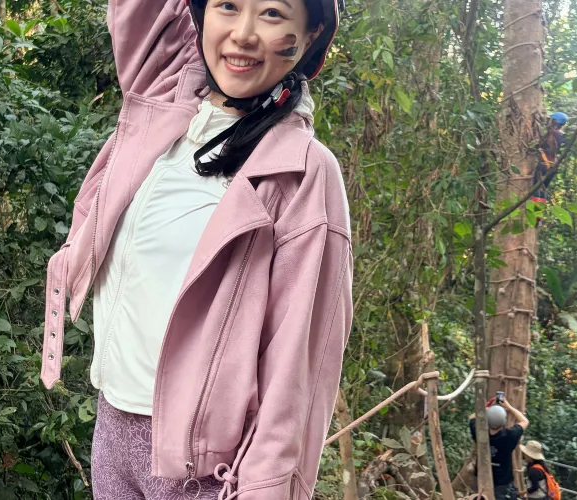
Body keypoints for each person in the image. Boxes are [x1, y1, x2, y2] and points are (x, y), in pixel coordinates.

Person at [39, 0, 353, 499]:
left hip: (207, 471)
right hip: (113, 426)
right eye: (227, 5)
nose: (243, 33)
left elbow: (298, 372)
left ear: (312, 33)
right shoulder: (162, 101)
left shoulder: (303, 174)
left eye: (272, 14)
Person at [470, 398, 530, 500]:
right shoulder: (510, 436)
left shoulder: (479, 433)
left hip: (481, 480)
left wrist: (488, 408)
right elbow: (525, 421)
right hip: (502, 484)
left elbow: (472, 417)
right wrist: (509, 407)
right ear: (504, 422)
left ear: (487, 421)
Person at [532, 112, 568, 204]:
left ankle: (534, 209)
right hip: (553, 166)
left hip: (544, 164)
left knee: (535, 187)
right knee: (543, 188)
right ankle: (539, 211)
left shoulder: (551, 133)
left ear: (554, 122)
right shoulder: (562, 136)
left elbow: (538, 144)